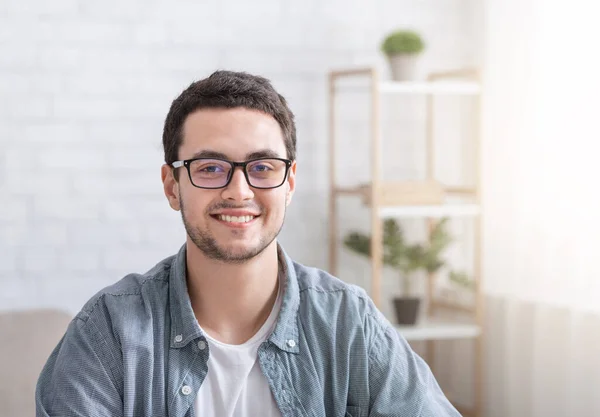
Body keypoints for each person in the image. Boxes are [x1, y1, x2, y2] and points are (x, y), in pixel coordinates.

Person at [35, 70, 462, 417]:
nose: (239, 191)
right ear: (172, 186)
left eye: (261, 167)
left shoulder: (348, 323)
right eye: (210, 167)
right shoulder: (107, 334)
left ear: (289, 183)